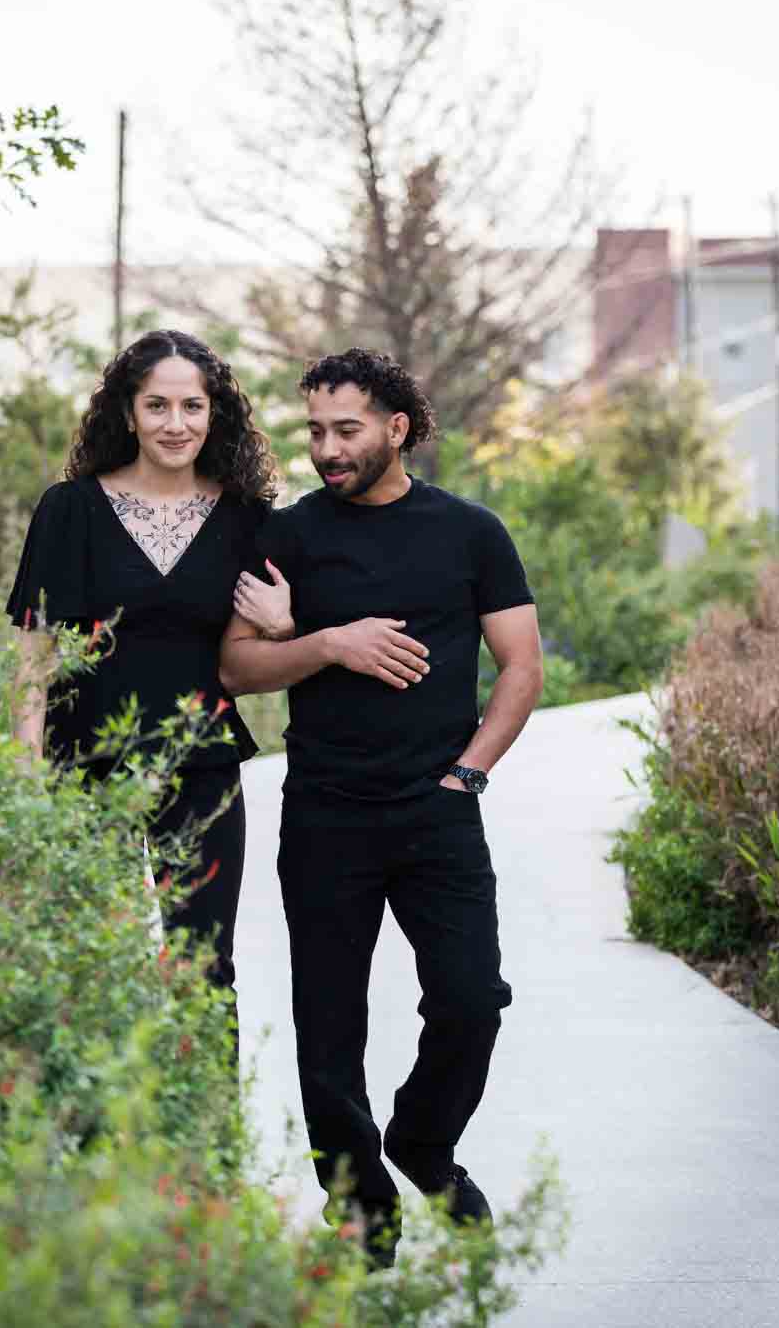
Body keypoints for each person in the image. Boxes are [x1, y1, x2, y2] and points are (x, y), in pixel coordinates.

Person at [218, 347, 543, 1266]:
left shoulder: (471, 532)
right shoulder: (285, 537)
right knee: (328, 1022)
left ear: (397, 428)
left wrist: (470, 773)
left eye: (345, 429)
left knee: (472, 998)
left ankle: (424, 1143)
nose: (326, 447)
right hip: (325, 810)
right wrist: (327, 643)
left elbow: (521, 666)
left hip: (439, 808)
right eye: (315, 429)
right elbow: (236, 667)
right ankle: (361, 1207)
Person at [5, 328, 288, 1036]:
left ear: (213, 413)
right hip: (83, 770)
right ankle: (96, 1142)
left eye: (191, 406)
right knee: (87, 966)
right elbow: (34, 657)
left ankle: (207, 1146)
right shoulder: (68, 510)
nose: (175, 423)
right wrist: (23, 766)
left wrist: (285, 623)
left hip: (202, 770)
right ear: (127, 413)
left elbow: (254, 646)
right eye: (156, 405)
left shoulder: (248, 517)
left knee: (202, 968)